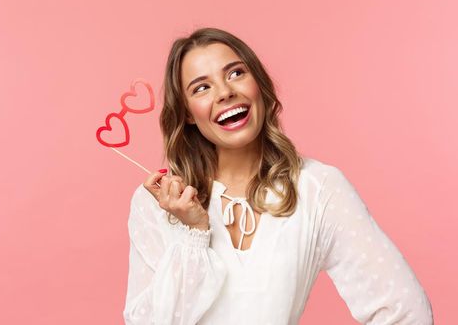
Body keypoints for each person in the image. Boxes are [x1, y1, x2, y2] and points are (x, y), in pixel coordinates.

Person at [122, 27, 433, 324]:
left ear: (258, 84)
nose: (225, 92)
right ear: (188, 112)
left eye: (235, 73)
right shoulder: (157, 203)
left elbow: (405, 311)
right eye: (202, 87)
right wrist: (193, 234)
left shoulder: (318, 188)